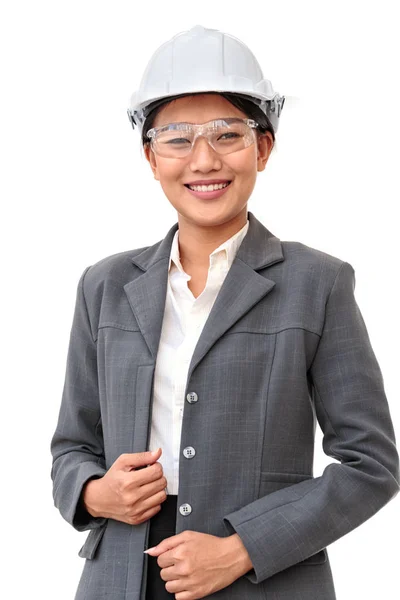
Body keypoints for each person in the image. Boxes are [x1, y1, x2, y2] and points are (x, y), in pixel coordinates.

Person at [50, 25, 399, 600]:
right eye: (178, 139)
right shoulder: (105, 286)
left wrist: (241, 549)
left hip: (262, 578)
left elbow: (370, 465)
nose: (203, 160)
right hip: (120, 576)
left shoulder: (318, 284)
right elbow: (72, 446)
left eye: (227, 134)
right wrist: (91, 493)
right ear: (151, 157)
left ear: (263, 147)